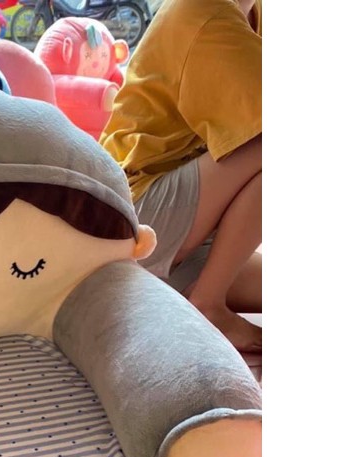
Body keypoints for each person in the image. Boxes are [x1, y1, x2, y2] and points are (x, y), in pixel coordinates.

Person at [100, 0, 262, 352]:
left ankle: (196, 292)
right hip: (138, 214)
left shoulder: (251, 11)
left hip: (187, 229)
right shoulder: (205, 13)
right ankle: (207, 303)